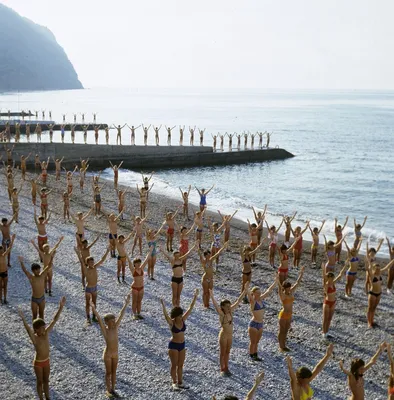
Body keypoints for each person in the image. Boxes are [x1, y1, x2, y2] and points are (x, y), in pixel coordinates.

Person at [18, 297, 66, 400]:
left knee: (46, 381)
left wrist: (60, 308)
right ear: (36, 329)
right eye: (42, 328)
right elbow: (28, 330)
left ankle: (48, 397)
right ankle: (40, 398)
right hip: (38, 363)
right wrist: (23, 320)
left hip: (47, 361)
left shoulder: (46, 334)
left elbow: (54, 320)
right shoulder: (35, 338)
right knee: (39, 382)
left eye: (44, 327)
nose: (44, 329)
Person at [90, 293, 131, 398]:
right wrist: (94, 309)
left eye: (114, 320)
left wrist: (126, 304)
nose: (113, 322)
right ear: (107, 322)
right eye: (111, 321)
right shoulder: (106, 330)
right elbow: (99, 319)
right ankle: (108, 390)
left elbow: (121, 315)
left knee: (114, 372)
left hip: (115, 353)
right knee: (108, 372)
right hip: (108, 354)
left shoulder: (116, 327)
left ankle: (113, 389)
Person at [160, 289, 199, 391]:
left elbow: (190, 309)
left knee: (181, 365)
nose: (181, 316)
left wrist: (195, 297)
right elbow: (166, 316)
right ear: (175, 316)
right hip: (173, 345)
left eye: (181, 315)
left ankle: (180, 382)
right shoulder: (172, 323)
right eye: (179, 315)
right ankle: (174, 382)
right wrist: (163, 305)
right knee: (174, 364)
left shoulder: (182, 319)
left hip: (182, 345)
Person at [210, 285, 249, 376]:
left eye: (229, 306)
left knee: (228, 351)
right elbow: (216, 306)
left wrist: (245, 290)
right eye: (226, 306)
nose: (228, 307)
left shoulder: (230, 311)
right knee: (222, 352)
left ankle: (226, 367)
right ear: (222, 307)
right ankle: (222, 368)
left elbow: (239, 300)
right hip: (223, 335)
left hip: (230, 335)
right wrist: (212, 296)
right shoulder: (222, 314)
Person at [77, 247, 110, 324]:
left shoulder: (95, 267)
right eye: (90, 262)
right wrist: (78, 253)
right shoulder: (86, 269)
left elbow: (102, 260)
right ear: (87, 263)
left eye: (92, 262)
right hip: (88, 288)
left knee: (94, 303)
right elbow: (81, 261)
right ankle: (88, 318)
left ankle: (94, 317)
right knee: (87, 303)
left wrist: (107, 251)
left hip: (94, 287)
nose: (92, 263)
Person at [247, 278, 278, 361]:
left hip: (260, 324)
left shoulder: (261, 299)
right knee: (253, 341)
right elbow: (249, 296)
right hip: (254, 323)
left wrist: (275, 281)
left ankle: (255, 354)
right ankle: (251, 355)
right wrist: (246, 288)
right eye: (257, 292)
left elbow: (269, 290)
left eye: (259, 292)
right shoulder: (253, 302)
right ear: (254, 293)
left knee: (257, 341)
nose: (259, 294)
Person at [277, 267, 304, 352]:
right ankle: (282, 346)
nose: (289, 289)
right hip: (283, 314)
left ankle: (282, 344)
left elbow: (297, 283)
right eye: (287, 288)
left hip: (289, 314)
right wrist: (277, 281)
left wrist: (301, 274)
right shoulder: (283, 295)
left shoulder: (291, 292)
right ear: (284, 288)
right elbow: (279, 291)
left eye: (289, 287)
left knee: (286, 330)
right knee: (282, 331)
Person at [366, 258, 394, 328]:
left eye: (379, 268)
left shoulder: (380, 273)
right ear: (374, 269)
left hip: (379, 294)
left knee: (374, 308)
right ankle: (369, 323)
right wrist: (369, 262)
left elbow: (387, 266)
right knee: (370, 308)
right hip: (372, 294)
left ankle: (372, 321)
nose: (378, 270)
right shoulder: (372, 275)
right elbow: (368, 269)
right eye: (376, 269)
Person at [322, 262, 347, 338]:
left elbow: (340, 275)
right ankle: (324, 332)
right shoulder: (326, 284)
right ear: (328, 278)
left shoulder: (333, 283)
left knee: (329, 318)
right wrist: (323, 269)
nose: (332, 278)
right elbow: (324, 276)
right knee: (325, 318)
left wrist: (345, 265)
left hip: (333, 302)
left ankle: (327, 331)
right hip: (327, 303)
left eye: (333, 277)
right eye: (331, 277)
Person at [199, 243, 228, 308]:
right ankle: (205, 304)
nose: (209, 255)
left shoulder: (211, 260)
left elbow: (218, 253)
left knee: (209, 292)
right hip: (205, 278)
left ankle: (207, 304)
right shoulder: (204, 262)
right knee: (205, 292)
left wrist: (223, 247)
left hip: (211, 278)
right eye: (208, 254)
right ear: (205, 255)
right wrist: (197, 248)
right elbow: (200, 255)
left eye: (209, 254)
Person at [127, 249, 152, 319]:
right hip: (135, 287)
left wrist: (150, 251)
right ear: (134, 264)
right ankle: (134, 314)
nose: (138, 264)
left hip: (141, 287)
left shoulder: (141, 268)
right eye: (137, 263)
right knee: (134, 301)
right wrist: (126, 253)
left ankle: (139, 313)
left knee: (139, 301)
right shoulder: (133, 270)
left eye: (139, 263)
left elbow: (146, 259)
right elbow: (129, 262)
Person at [0, 234, 15, 304]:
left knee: (5, 286)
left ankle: (5, 298)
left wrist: (13, 239)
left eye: (2, 250)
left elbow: (9, 248)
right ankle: (0, 299)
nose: (1, 252)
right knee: (0, 287)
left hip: (5, 272)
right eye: (0, 251)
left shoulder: (4, 255)